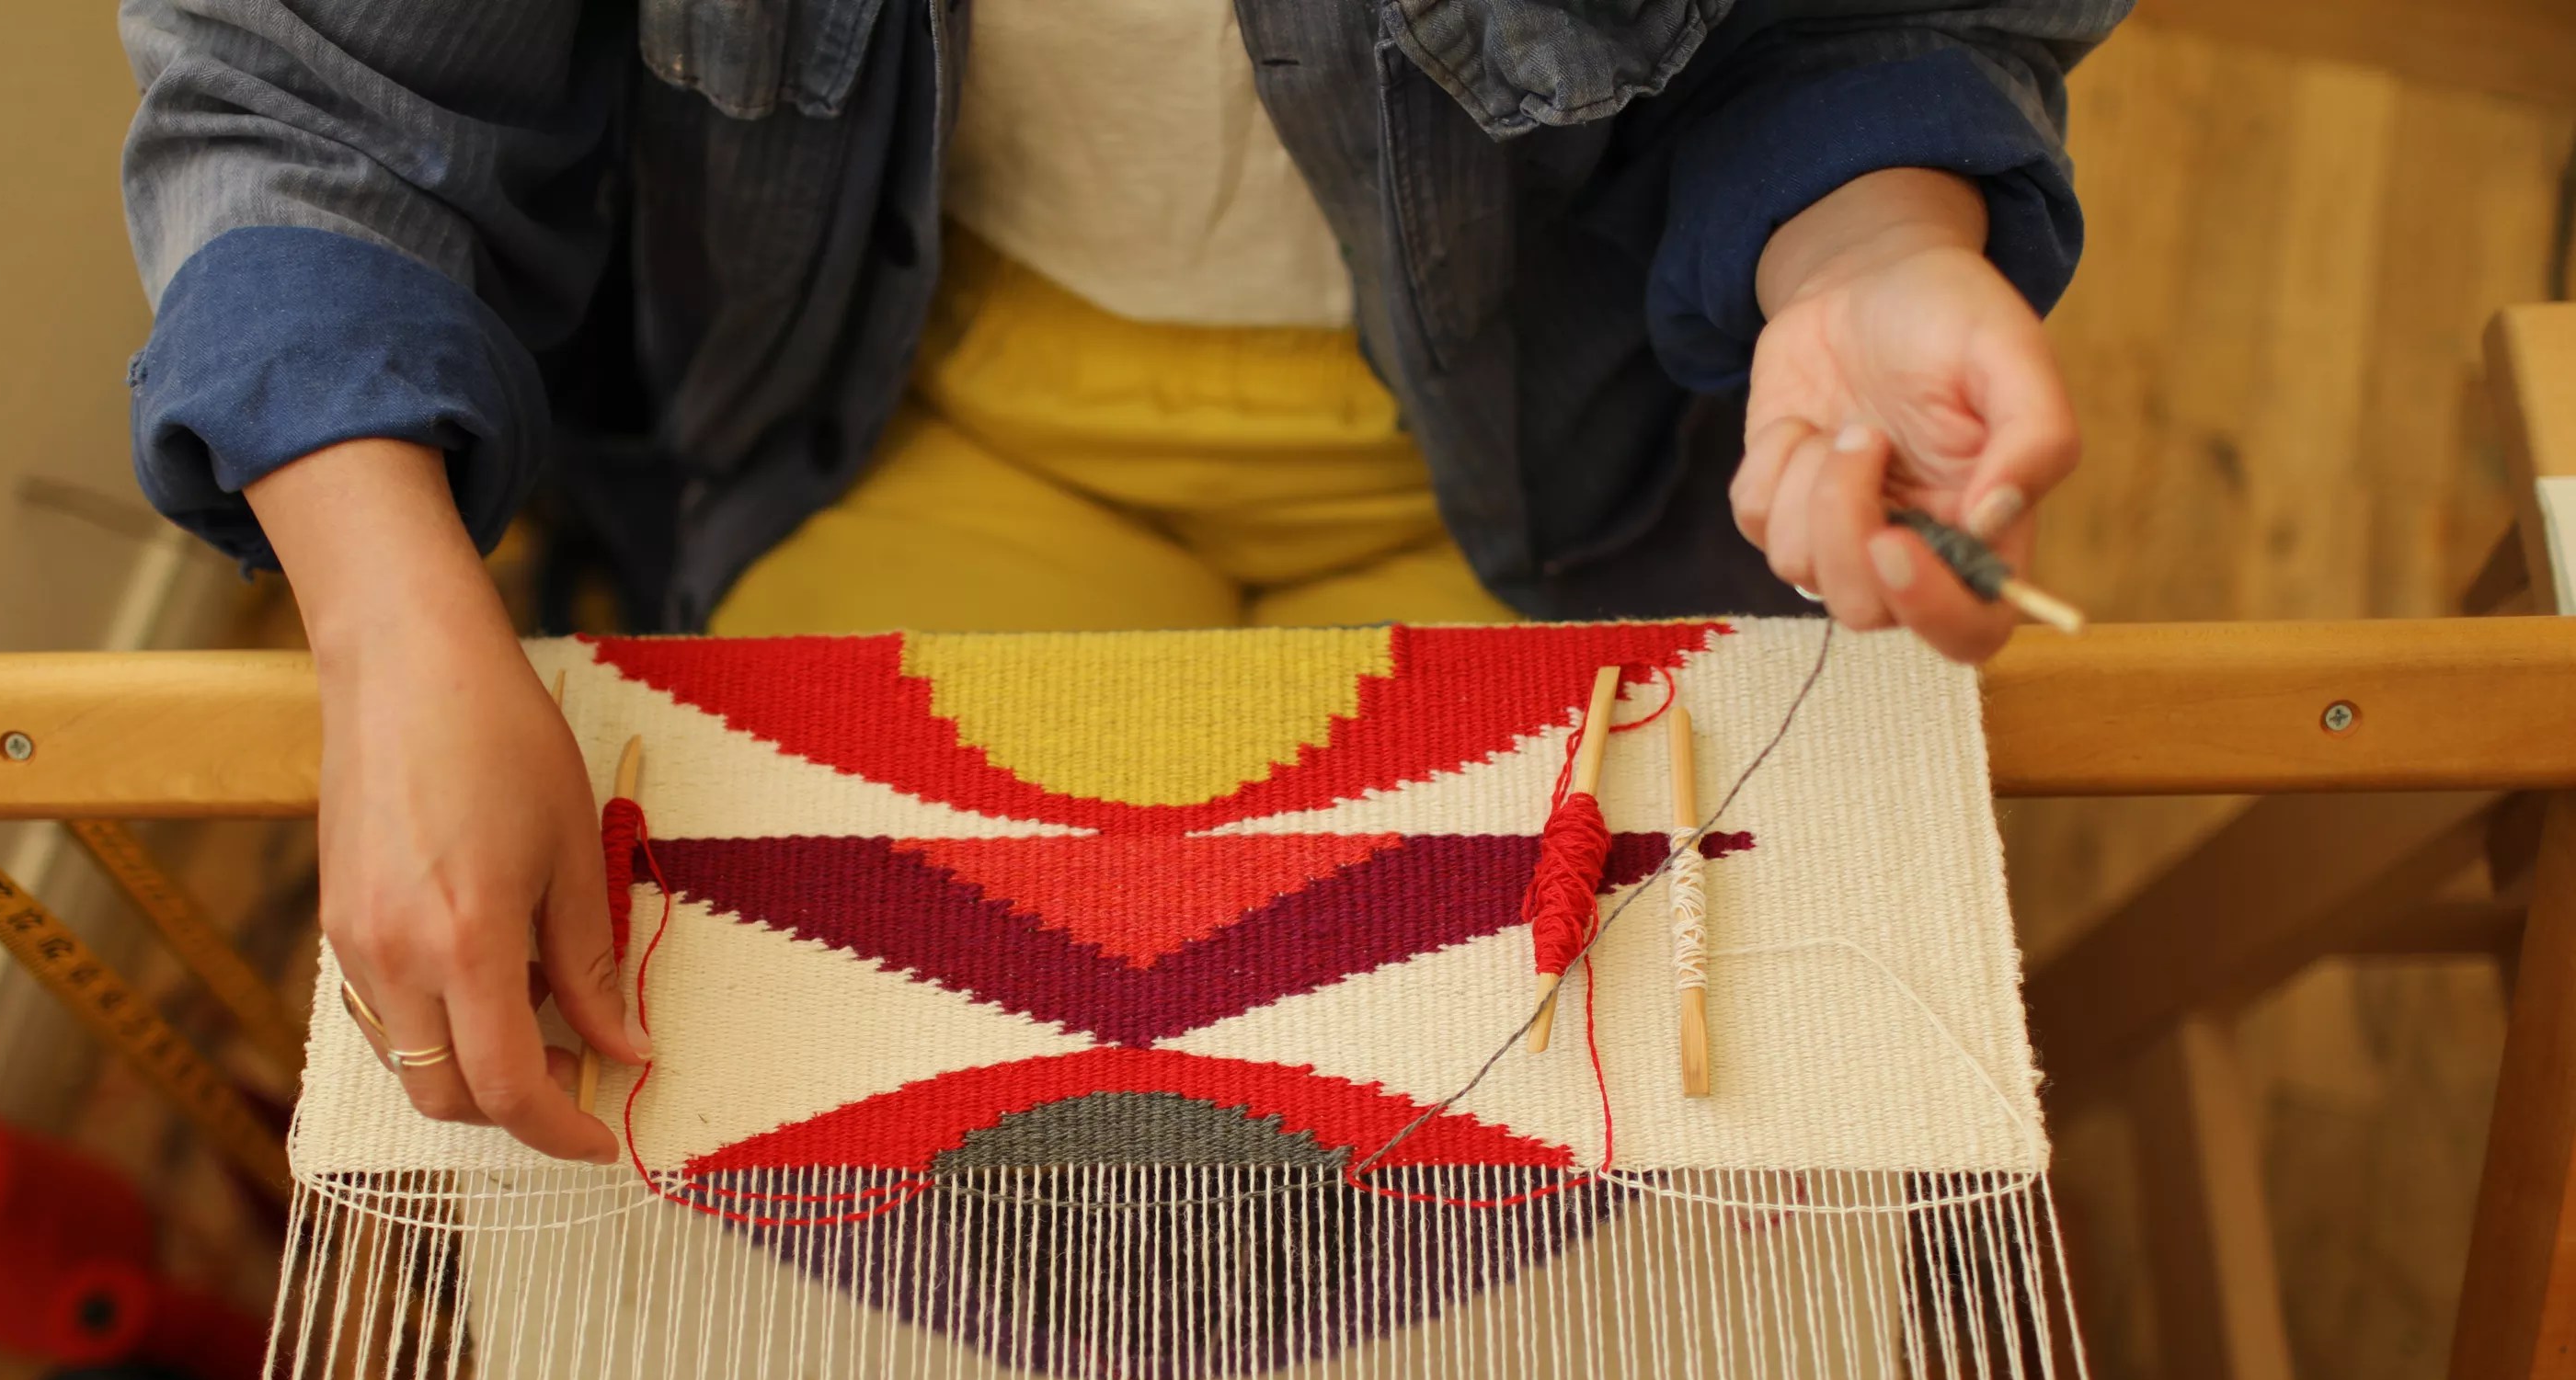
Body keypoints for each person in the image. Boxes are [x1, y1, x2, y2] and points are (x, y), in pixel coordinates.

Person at [117, 0, 2125, 1162]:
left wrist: (1862, 244)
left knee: (1527, 1208)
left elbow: (1854, 18)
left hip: (1592, 435)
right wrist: (382, 623)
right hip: (915, 411)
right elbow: (325, 84)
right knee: (876, 1196)